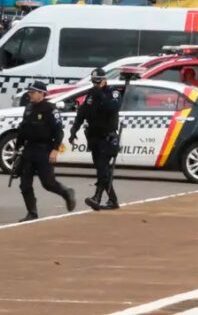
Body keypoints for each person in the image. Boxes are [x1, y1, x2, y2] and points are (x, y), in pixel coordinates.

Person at [15, 81, 76, 222]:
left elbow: (58, 132)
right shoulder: (29, 108)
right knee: (24, 184)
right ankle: (32, 213)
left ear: (42, 93)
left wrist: (55, 150)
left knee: (48, 183)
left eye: (33, 92)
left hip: (44, 150)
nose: (30, 94)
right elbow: (23, 129)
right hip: (29, 150)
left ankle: (66, 193)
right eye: (29, 92)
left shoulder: (50, 109)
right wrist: (18, 147)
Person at [69, 68, 122, 211]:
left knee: (102, 169)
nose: (95, 85)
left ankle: (97, 198)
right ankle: (113, 200)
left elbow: (113, 108)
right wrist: (74, 130)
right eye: (93, 82)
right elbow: (82, 113)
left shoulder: (113, 92)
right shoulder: (91, 94)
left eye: (98, 82)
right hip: (94, 138)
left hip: (108, 138)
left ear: (105, 80)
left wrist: (100, 95)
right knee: (102, 170)